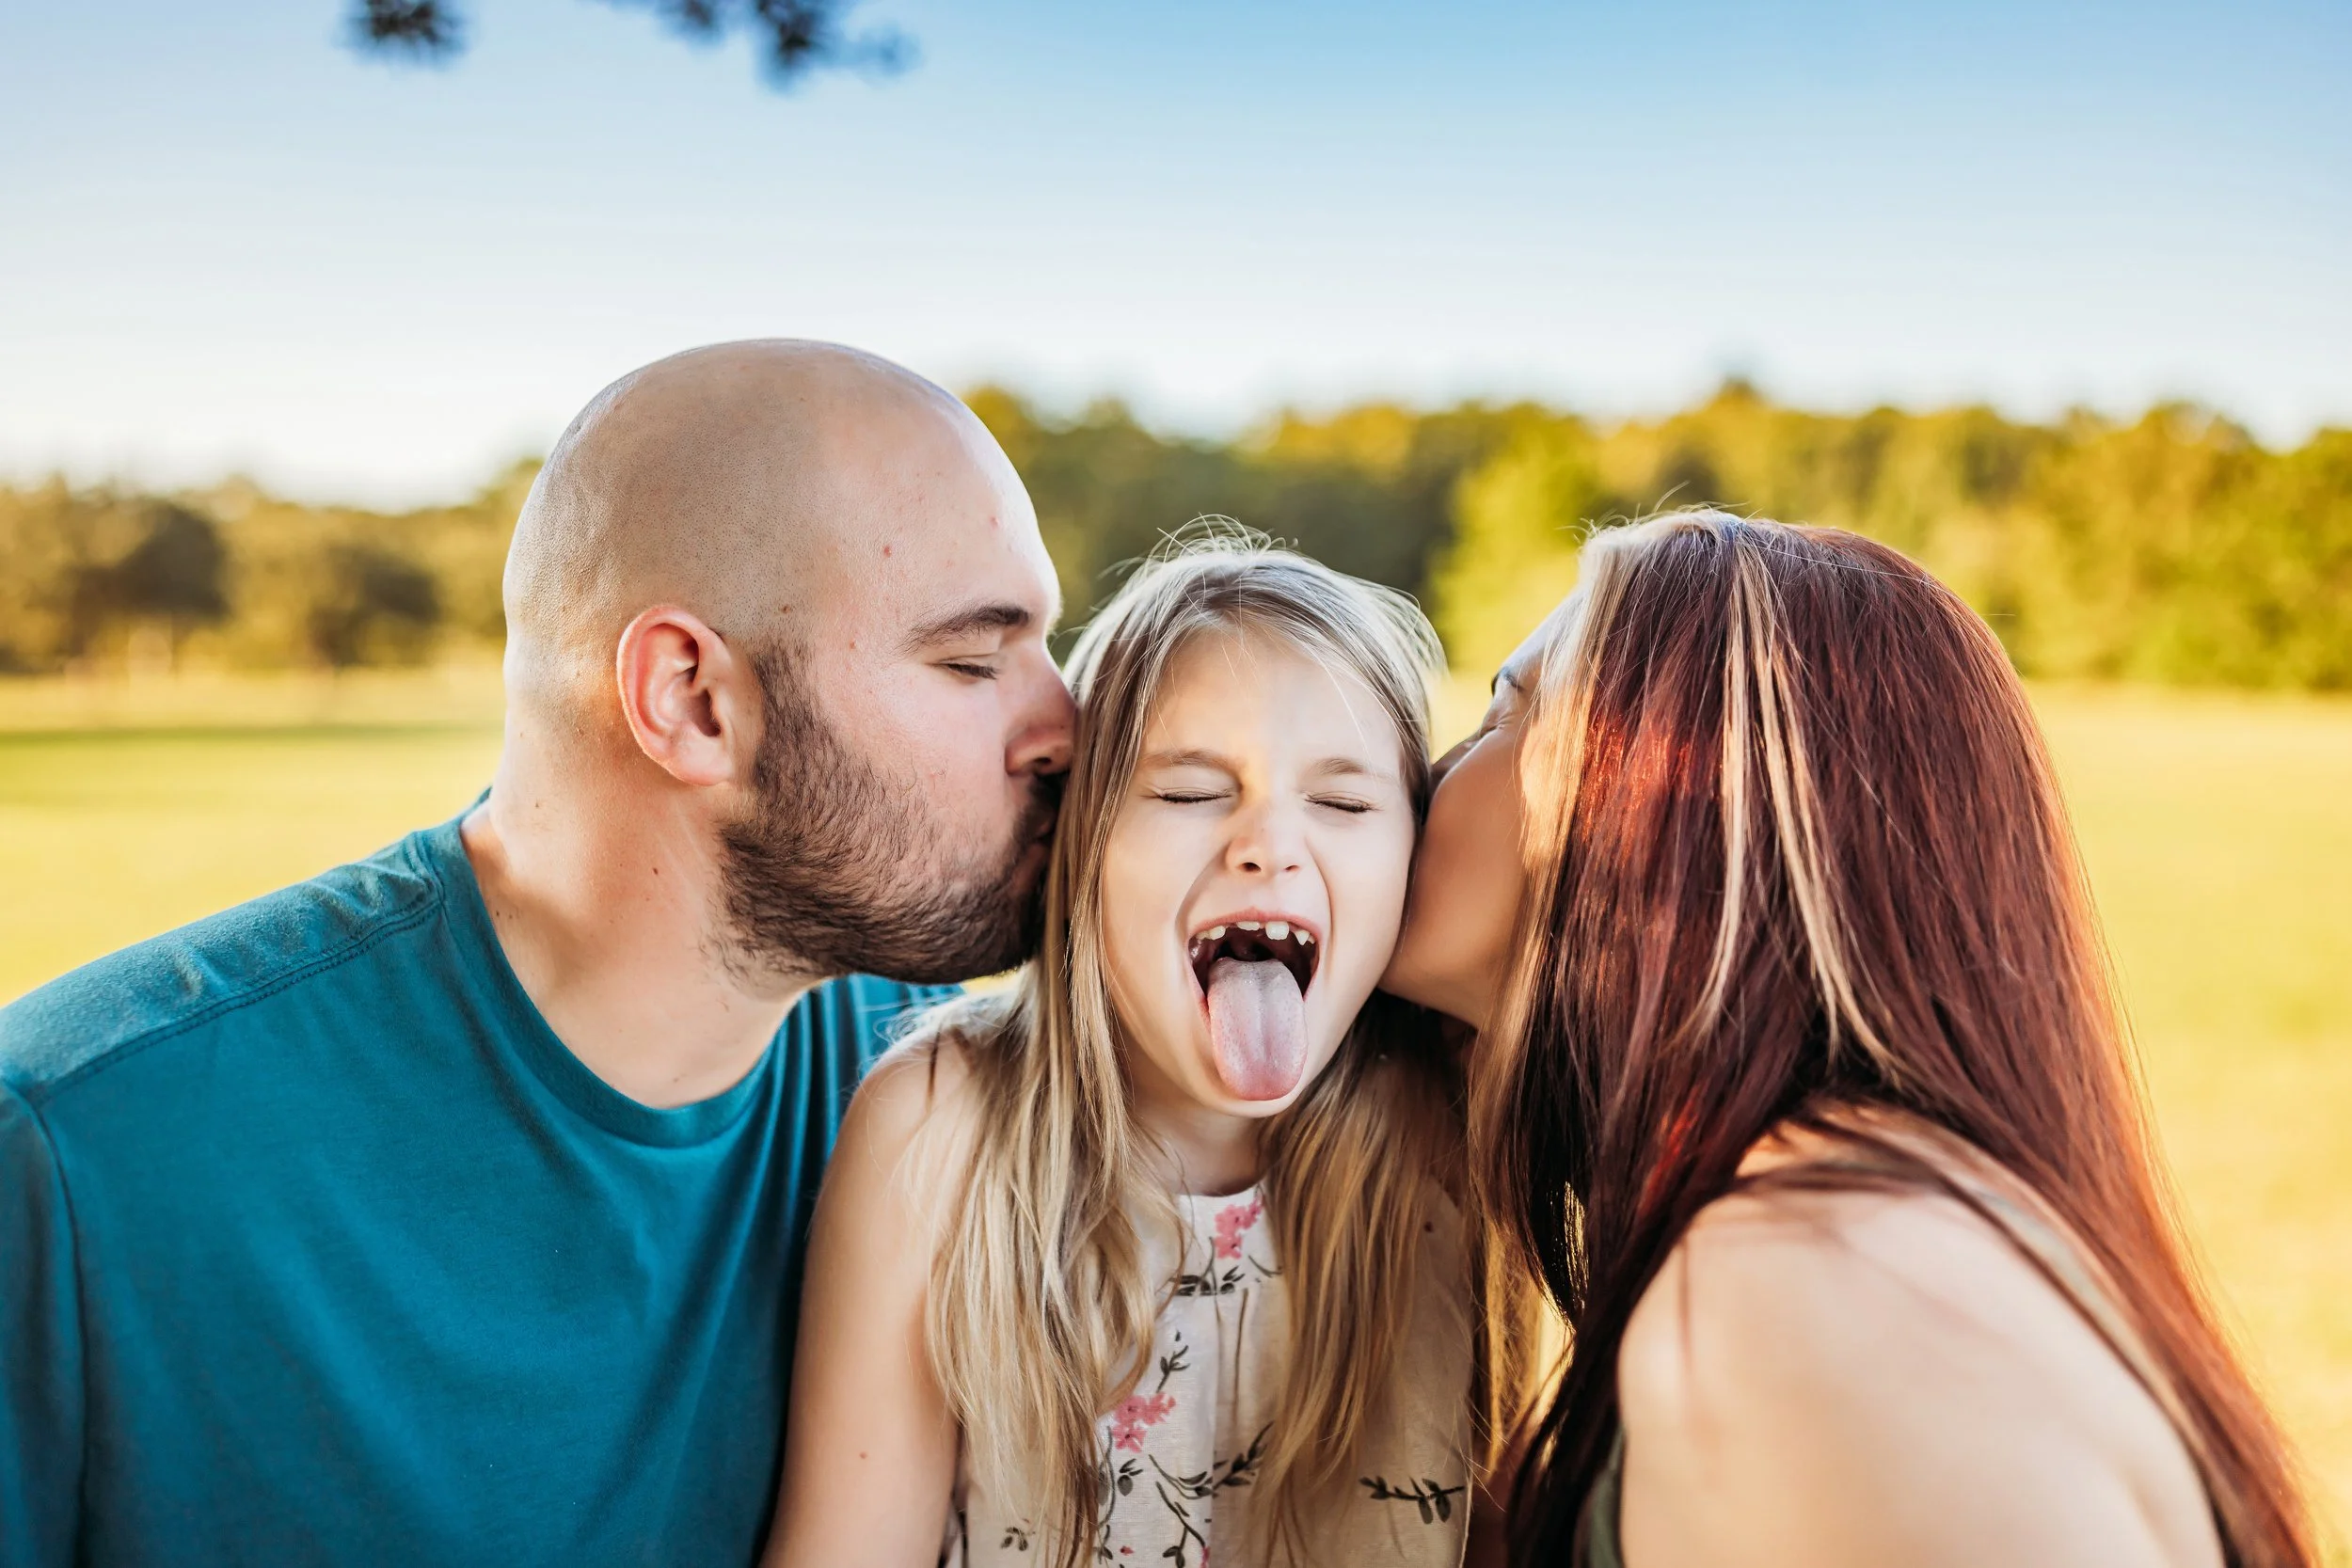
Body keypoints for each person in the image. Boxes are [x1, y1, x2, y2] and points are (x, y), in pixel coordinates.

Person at [0, 341, 1076, 1567]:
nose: (1068, 724)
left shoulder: (926, 1070)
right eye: (974, 660)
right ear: (690, 698)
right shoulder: (77, 1156)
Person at [1383, 510, 2318, 1568]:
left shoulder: (1810, 1291)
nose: (1421, 774)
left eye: (1503, 711)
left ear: (1663, 810)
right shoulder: (1841, 1236)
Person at [771, 536, 1475, 1568]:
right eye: (1190, 791)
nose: (1267, 843)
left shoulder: (1451, 1134)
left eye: (1344, 801)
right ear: (1079, 847)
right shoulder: (945, 1123)